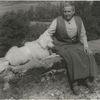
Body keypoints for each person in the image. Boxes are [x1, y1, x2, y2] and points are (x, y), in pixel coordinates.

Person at [43, 2, 97, 95]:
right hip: (62, 45)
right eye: (64, 11)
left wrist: (86, 46)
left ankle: (88, 80)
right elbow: (48, 33)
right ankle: (74, 83)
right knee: (72, 56)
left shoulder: (78, 20)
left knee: (88, 55)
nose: (66, 14)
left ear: (73, 11)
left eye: (69, 11)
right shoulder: (57, 20)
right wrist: (46, 44)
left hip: (75, 44)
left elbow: (83, 34)